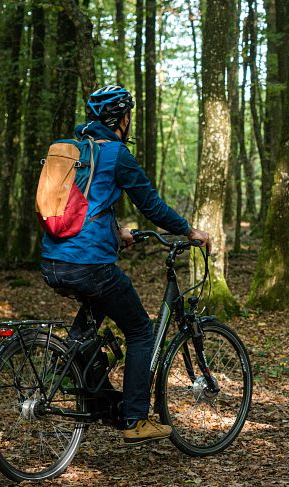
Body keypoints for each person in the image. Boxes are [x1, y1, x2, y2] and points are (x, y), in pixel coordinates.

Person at [40, 85, 210, 444]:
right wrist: (188, 230)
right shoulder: (115, 154)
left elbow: (83, 208)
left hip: (53, 261)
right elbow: (152, 205)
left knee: (91, 321)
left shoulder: (74, 154)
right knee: (139, 331)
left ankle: (77, 372)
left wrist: (117, 232)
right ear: (122, 119)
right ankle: (135, 419)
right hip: (89, 264)